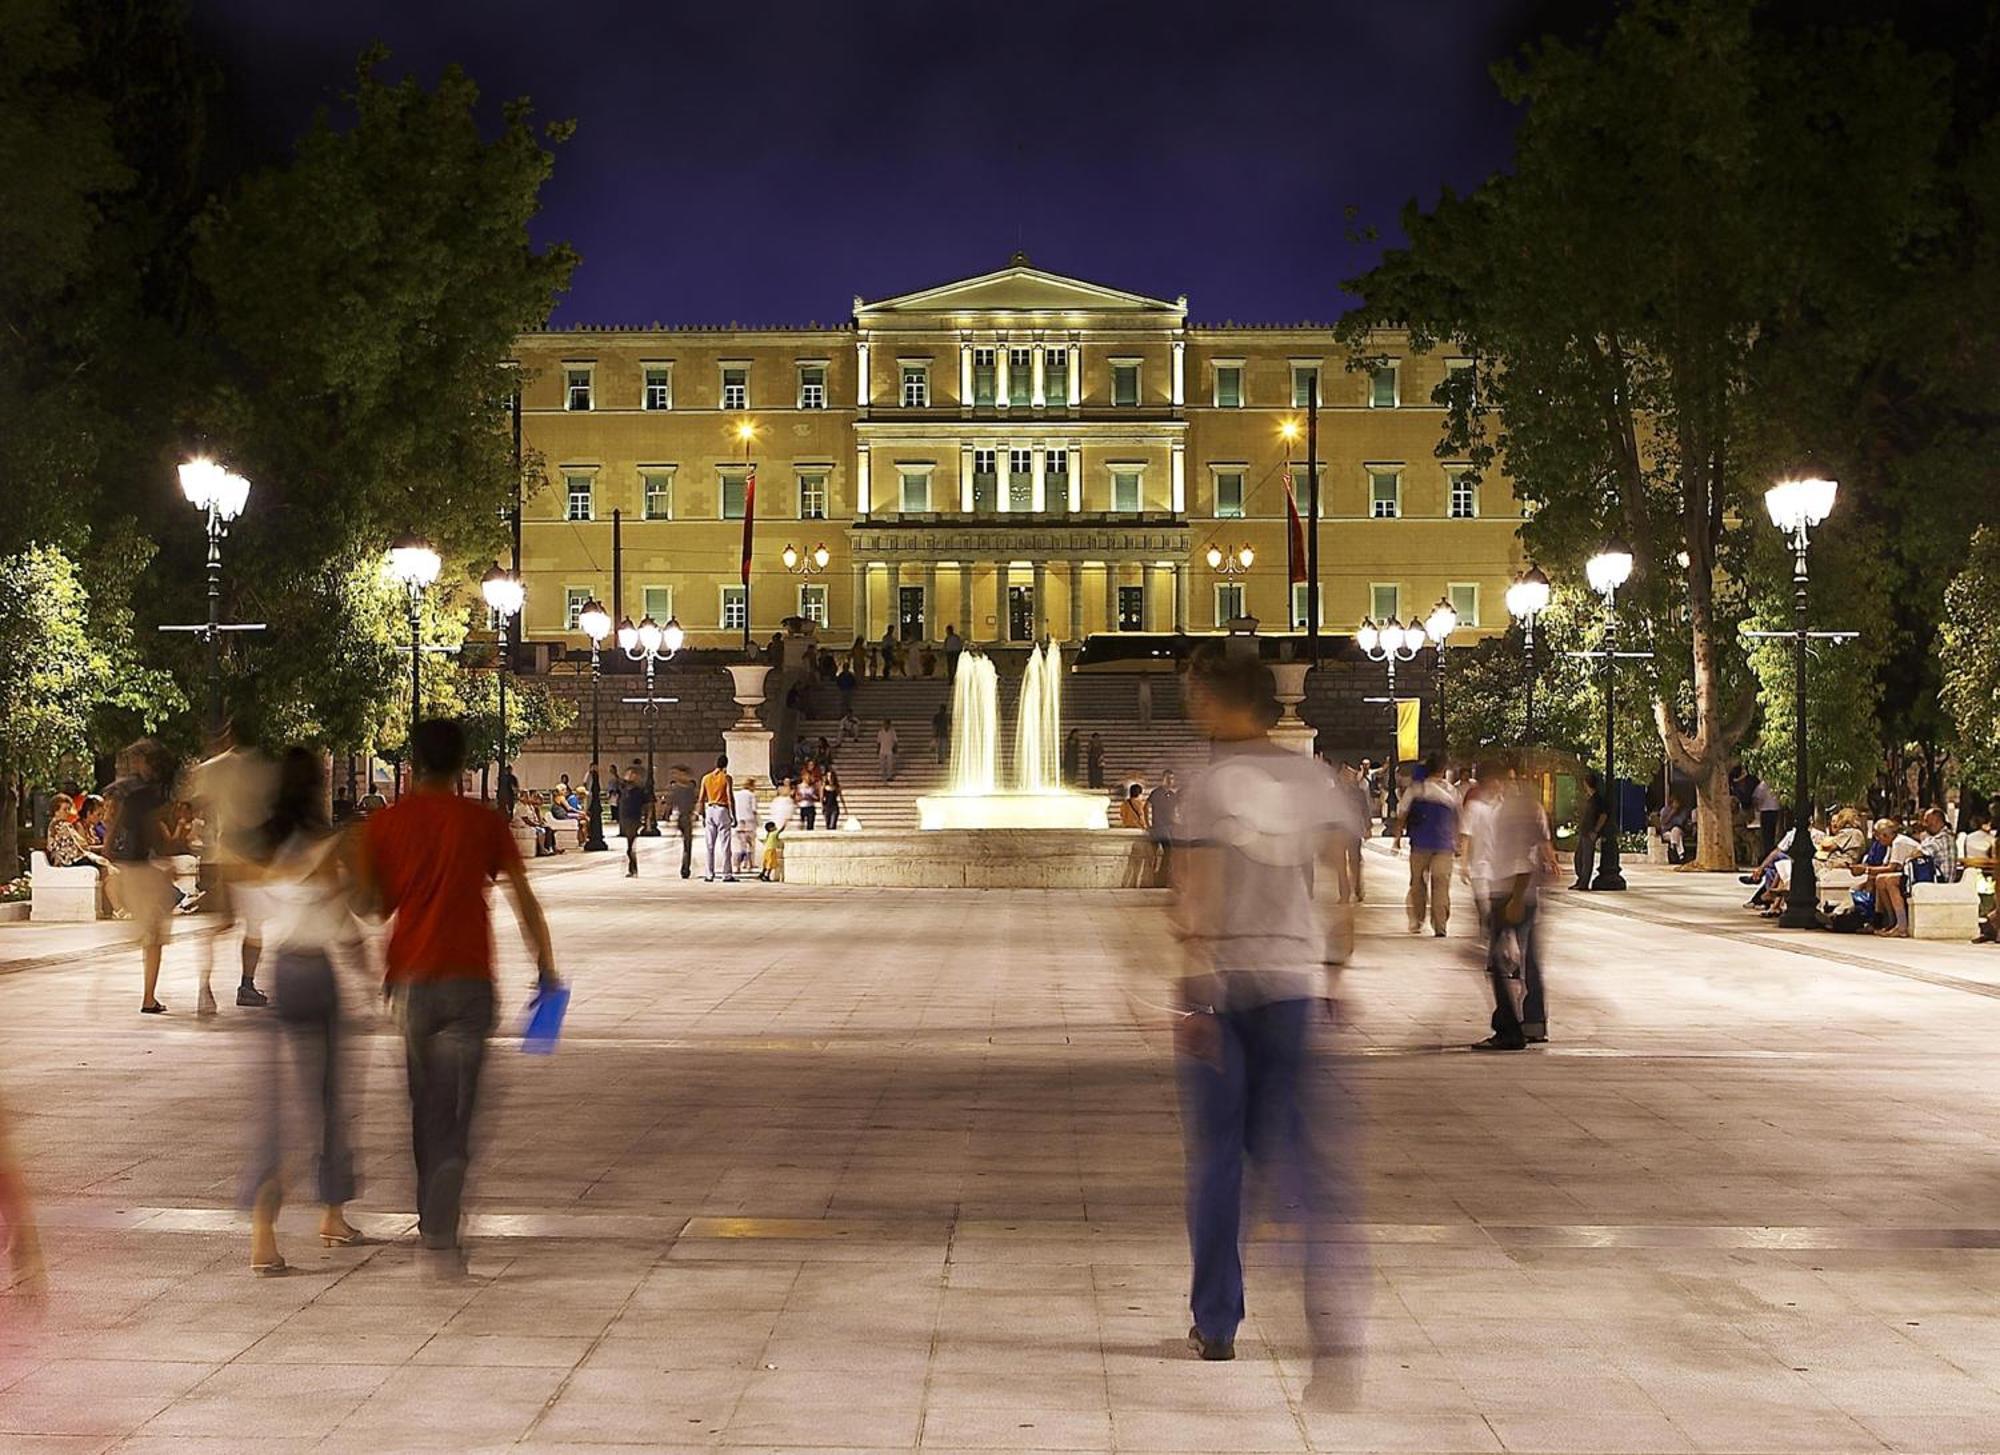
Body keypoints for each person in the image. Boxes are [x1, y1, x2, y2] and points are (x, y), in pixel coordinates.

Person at [1169, 644, 1361, 1390]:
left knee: (1218, 1160)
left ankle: (1217, 1321)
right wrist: (1337, 971)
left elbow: (1200, 892)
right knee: (1302, 1160)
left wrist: (1195, 988)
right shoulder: (1313, 778)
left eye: (1196, 695)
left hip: (1228, 984)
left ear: (1223, 699)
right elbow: (1346, 886)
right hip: (1291, 984)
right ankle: (1329, 1313)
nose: (1192, 708)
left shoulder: (1215, 784)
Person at [356, 718, 558, 1270]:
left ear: (414, 761)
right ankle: (452, 1170)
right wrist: (547, 967)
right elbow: (523, 899)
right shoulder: (481, 822)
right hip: (471, 978)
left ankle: (432, 1215)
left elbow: (373, 906)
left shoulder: (387, 823)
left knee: (424, 1099)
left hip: (411, 980)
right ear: (461, 763)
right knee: (463, 1098)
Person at [243, 748, 365, 1274]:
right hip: (317, 971)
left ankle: (263, 1238)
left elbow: (253, 913)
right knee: (328, 1098)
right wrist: (367, 960)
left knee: (273, 1108)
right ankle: (332, 1215)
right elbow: (343, 920)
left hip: (281, 971)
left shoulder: (261, 843)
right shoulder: (323, 843)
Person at [191, 725, 277, 1016]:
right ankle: (246, 985)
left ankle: (205, 986)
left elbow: (195, 802)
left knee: (222, 923)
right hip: (252, 859)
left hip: (222, 856)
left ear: (230, 734)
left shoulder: (213, 767)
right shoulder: (262, 769)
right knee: (254, 926)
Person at [1475, 762, 1556, 1050]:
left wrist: (1516, 898)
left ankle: (1508, 1029)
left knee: (1498, 961)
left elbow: (1524, 855)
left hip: (1512, 891)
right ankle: (1533, 1022)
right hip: (1518, 890)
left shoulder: (1514, 810)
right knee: (1528, 960)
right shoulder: (1525, 807)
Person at [106, 740, 181, 1015]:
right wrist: (168, 859)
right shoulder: (154, 794)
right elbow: (155, 832)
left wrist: (109, 848)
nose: (137, 765)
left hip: (133, 867)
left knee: (152, 935)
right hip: (145, 869)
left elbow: (116, 826)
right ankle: (148, 998)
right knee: (154, 938)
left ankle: (149, 996)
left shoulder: (132, 792)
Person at [1396, 757, 1459, 938]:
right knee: (1441, 885)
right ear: (1443, 770)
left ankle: (1417, 919)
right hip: (1444, 845)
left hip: (1420, 844)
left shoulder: (1416, 789)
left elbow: (1402, 814)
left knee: (1417, 883)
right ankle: (1440, 926)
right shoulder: (1451, 791)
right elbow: (1457, 817)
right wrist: (1458, 841)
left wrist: (1398, 837)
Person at [1861, 817, 1924, 936]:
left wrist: (1866, 870)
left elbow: (1892, 867)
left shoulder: (1899, 842)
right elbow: (1886, 865)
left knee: (1890, 881)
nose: (1877, 839)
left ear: (1885, 835)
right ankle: (1891, 921)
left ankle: (1901, 925)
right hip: (1907, 873)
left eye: (1878, 836)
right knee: (1879, 880)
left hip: (1917, 874)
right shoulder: (1891, 844)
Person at [1333, 762, 1368, 903]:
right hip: (1338, 831)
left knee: (1355, 862)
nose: (1346, 777)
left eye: (1349, 775)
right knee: (1340, 864)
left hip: (1353, 831)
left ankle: (1358, 889)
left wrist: (1368, 826)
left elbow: (1365, 810)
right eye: (1344, 774)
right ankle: (1344, 893)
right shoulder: (1333, 793)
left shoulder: (1359, 793)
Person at [698, 756, 736, 883]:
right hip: (722, 809)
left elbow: (701, 798)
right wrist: (733, 815)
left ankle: (709, 874)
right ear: (726, 764)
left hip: (710, 809)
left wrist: (702, 815)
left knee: (709, 845)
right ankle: (726, 874)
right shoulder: (726, 778)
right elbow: (730, 797)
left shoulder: (706, 778)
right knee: (725, 844)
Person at [1573, 770, 1607, 889]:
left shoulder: (1597, 800)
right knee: (1579, 857)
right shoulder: (1591, 799)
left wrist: (1596, 831)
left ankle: (1584, 883)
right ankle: (1580, 879)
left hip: (1590, 832)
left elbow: (1603, 816)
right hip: (1584, 831)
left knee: (1587, 858)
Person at [617, 763, 651, 877]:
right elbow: (619, 781)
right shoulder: (624, 789)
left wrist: (647, 822)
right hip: (625, 819)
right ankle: (632, 869)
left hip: (634, 819)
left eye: (631, 774)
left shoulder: (640, 790)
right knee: (629, 846)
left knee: (630, 846)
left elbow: (648, 806)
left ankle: (633, 869)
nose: (628, 776)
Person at [665, 766, 697, 878]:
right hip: (683, 818)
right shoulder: (681, 789)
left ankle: (685, 868)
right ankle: (685, 868)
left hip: (686, 818)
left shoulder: (687, 788)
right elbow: (670, 804)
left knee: (687, 845)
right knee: (687, 844)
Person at [1750, 774, 1782, 863]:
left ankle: (1767, 854)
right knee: (1772, 833)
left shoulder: (1763, 784)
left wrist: (1757, 807)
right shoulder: (1777, 784)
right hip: (1775, 810)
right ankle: (1770, 852)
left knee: (1766, 834)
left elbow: (1755, 797)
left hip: (1766, 811)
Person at [732, 775, 760, 877]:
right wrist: (758, 821)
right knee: (750, 845)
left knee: (740, 845)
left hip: (739, 820)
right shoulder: (751, 795)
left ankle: (737, 866)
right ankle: (749, 864)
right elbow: (754, 809)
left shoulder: (736, 794)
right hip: (749, 821)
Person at [797, 764, 820, 831]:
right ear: (803, 777)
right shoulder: (799, 786)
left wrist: (812, 797)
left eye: (809, 776)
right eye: (807, 776)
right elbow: (797, 798)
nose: (808, 778)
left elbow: (817, 798)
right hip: (803, 807)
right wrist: (802, 798)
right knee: (802, 824)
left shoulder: (813, 787)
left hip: (811, 807)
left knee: (810, 824)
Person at [877, 718, 900, 783]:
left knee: (890, 764)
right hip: (882, 749)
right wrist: (878, 749)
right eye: (885, 724)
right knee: (882, 764)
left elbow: (895, 741)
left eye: (887, 724)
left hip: (890, 749)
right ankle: (883, 776)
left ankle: (889, 776)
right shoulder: (880, 732)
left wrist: (895, 748)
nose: (886, 725)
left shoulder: (892, 732)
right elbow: (878, 741)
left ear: (889, 724)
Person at [823, 767, 844, 831]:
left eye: (831, 776)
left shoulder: (836, 787)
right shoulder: (824, 787)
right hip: (827, 807)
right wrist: (822, 807)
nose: (830, 778)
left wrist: (844, 807)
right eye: (828, 776)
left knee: (833, 825)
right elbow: (822, 798)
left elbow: (841, 797)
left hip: (834, 807)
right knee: (828, 824)